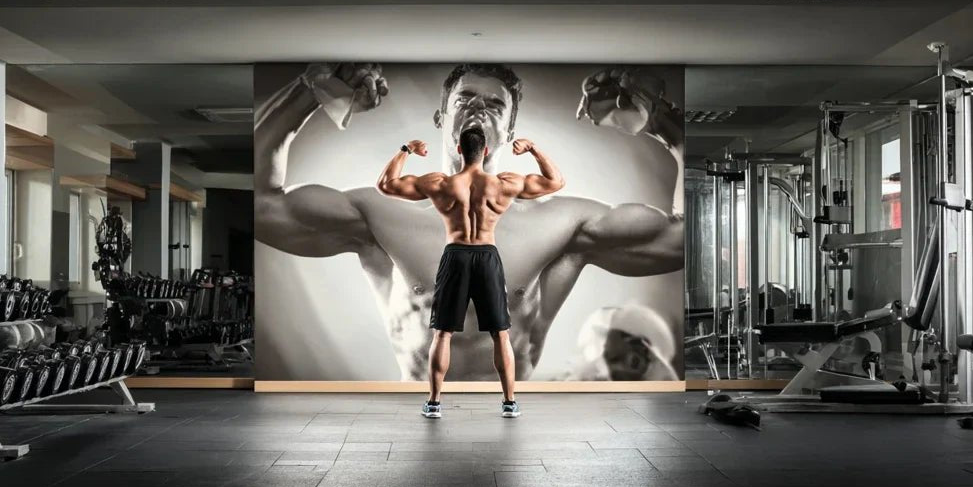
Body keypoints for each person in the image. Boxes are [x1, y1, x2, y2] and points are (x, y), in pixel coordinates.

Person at [254, 63, 684, 382]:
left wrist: (661, 120)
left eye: (495, 103)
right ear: (442, 118)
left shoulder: (562, 221)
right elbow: (263, 207)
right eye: (464, 99)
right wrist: (312, 88)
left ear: (510, 130)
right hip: (417, 402)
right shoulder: (383, 213)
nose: (479, 107)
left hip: (509, 406)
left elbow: (680, 240)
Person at [375, 128, 564, 417]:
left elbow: (386, 185)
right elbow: (556, 181)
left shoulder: (440, 183)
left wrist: (406, 149)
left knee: (443, 334)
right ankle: (509, 402)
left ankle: (435, 403)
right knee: (501, 334)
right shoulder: (505, 183)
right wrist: (533, 148)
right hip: (487, 256)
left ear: (459, 150)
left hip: (456, 256)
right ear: (486, 151)